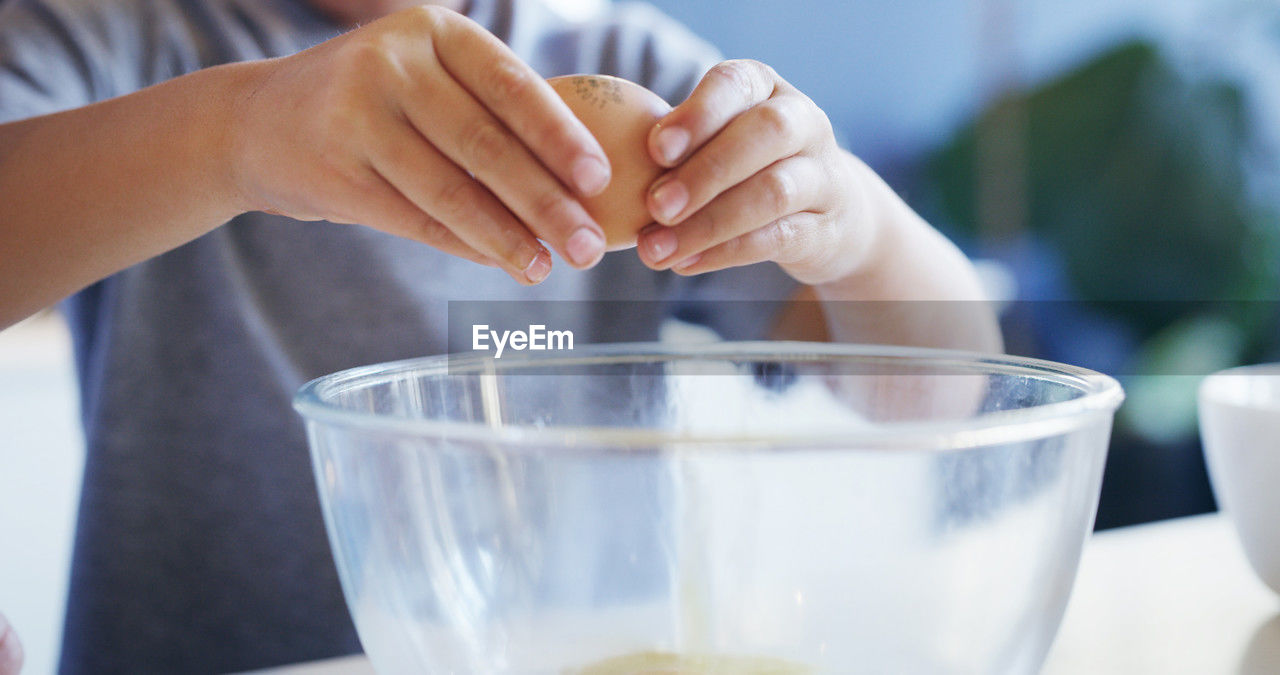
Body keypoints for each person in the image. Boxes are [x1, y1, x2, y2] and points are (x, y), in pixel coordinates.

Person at [0, 0, 1000, 671]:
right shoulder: (112, 38)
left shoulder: (635, 73)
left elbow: (935, 391)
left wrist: (853, 227)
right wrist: (238, 133)